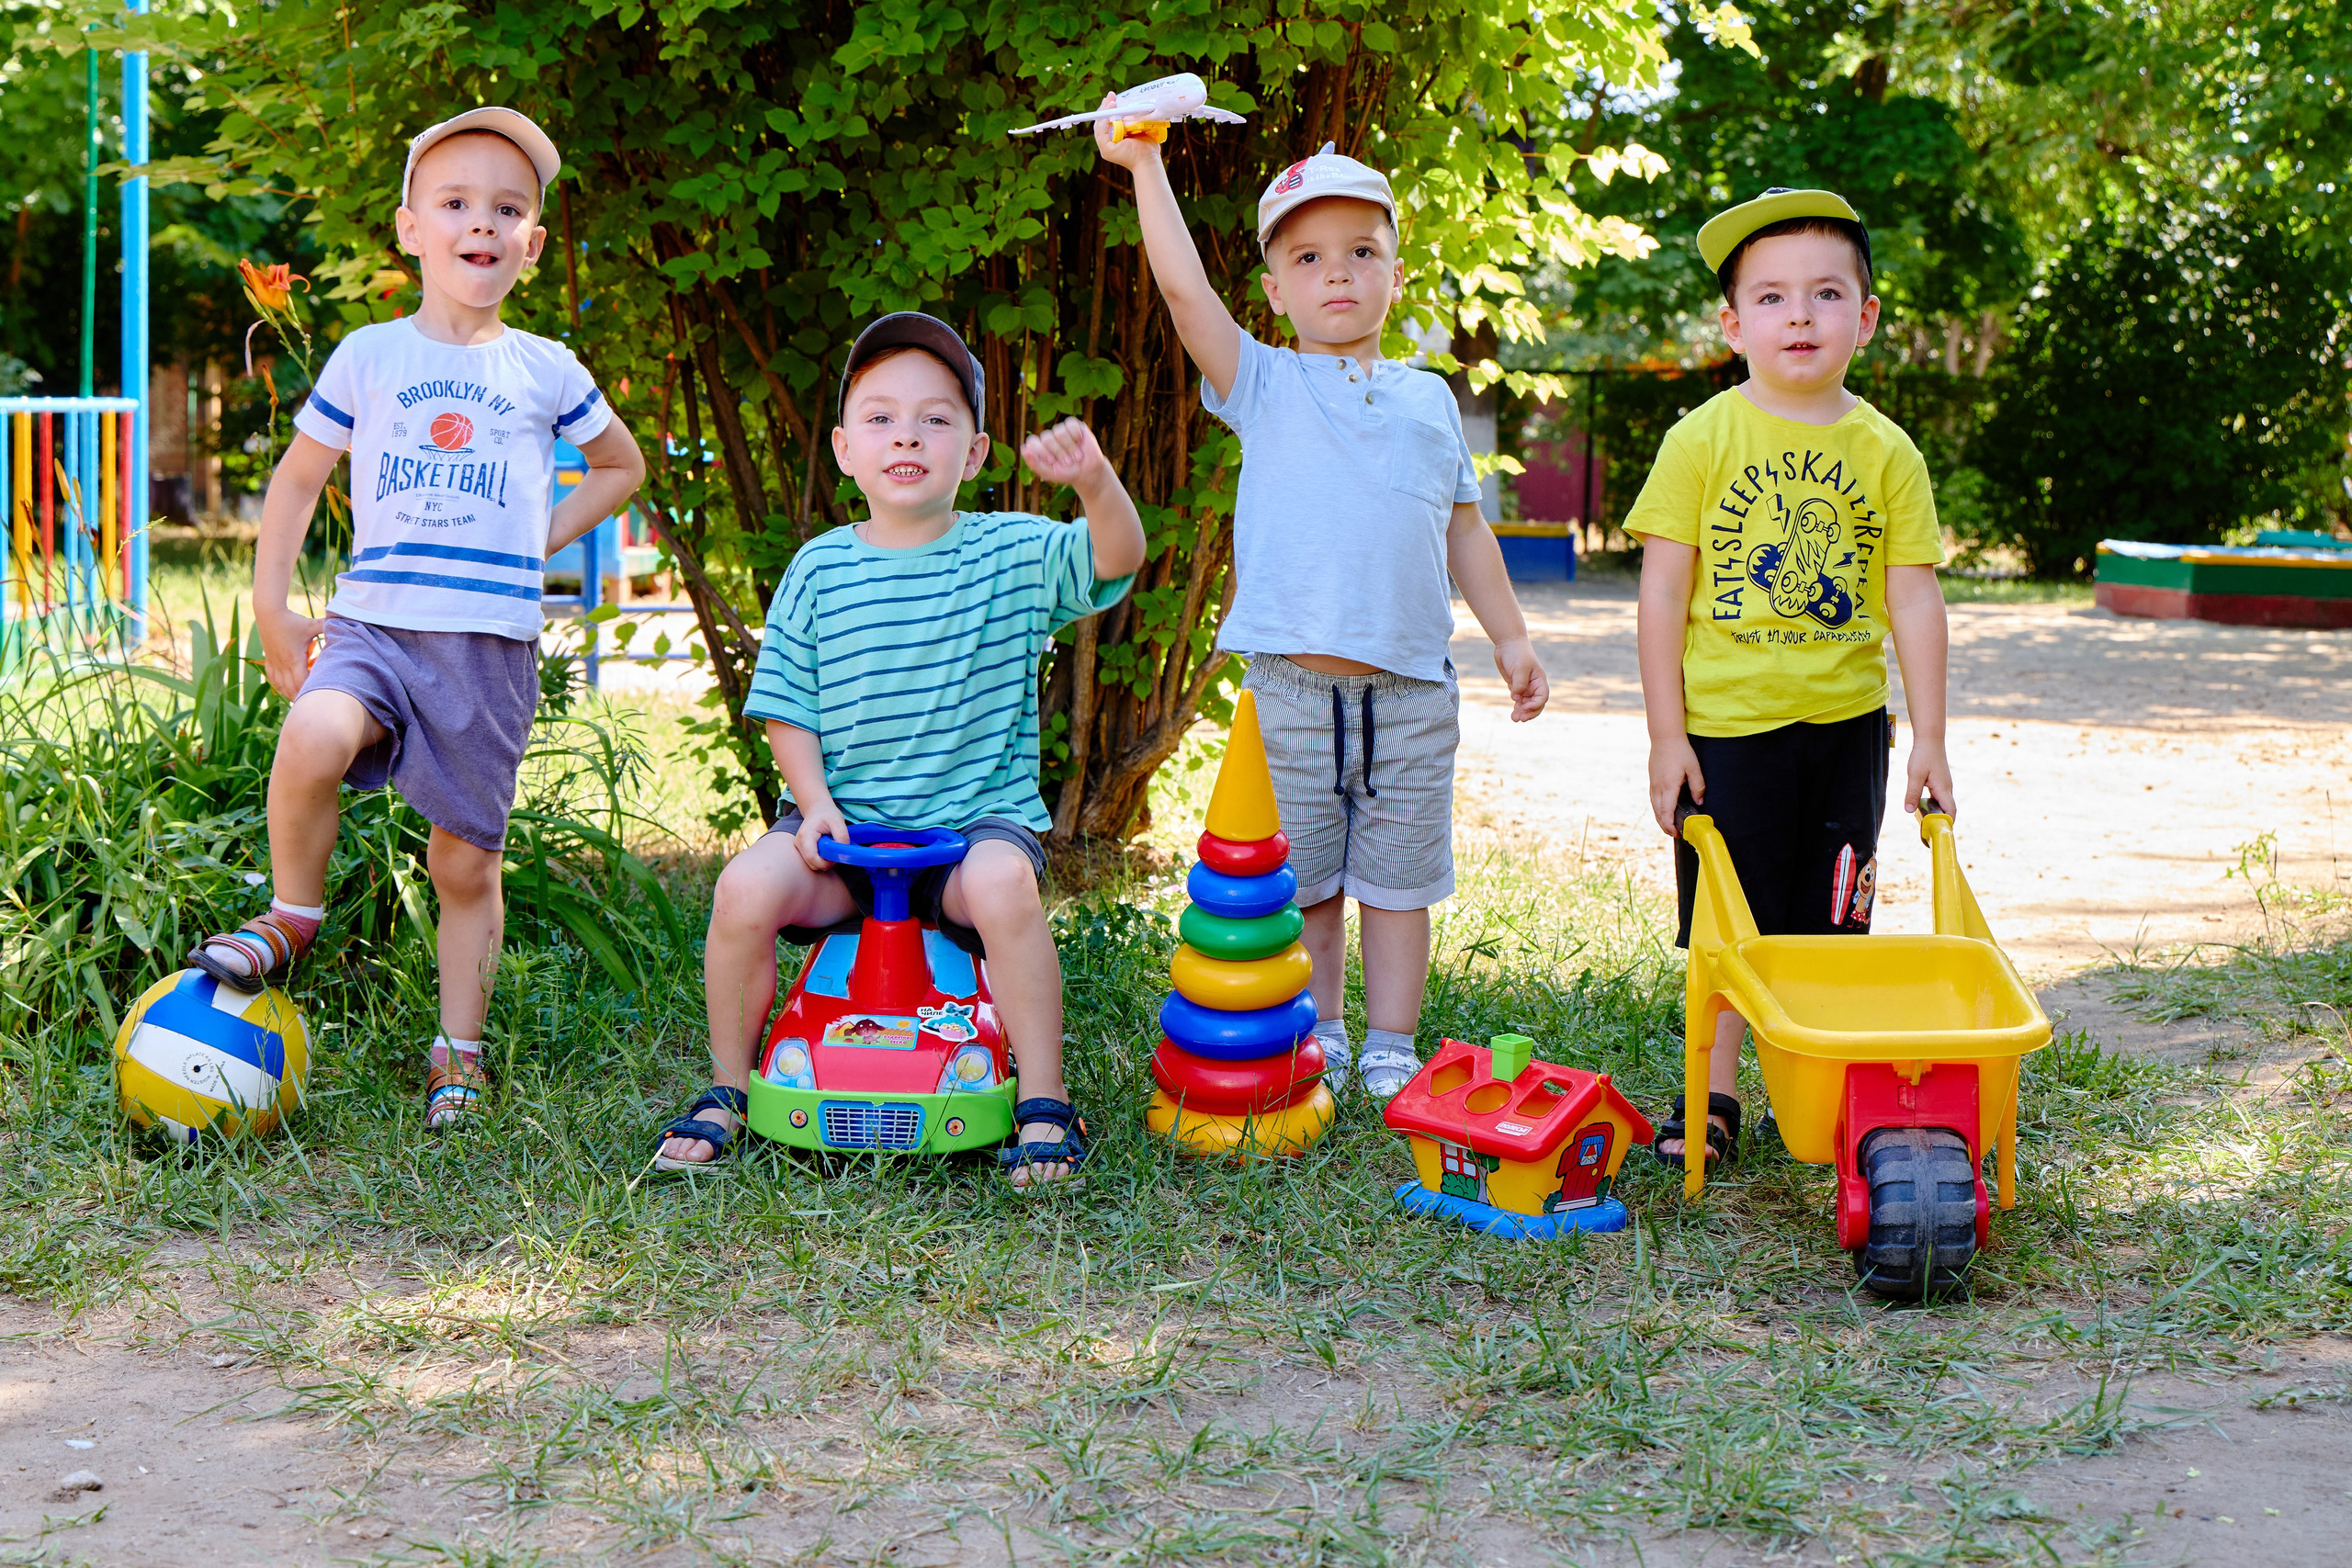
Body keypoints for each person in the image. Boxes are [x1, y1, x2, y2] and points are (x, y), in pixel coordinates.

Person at [187, 108, 645, 1131]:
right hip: (374, 629)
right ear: (409, 230)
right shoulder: (368, 356)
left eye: (506, 209)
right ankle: (293, 915)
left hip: (485, 649)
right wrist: (273, 610)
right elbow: (301, 479)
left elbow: (623, 467)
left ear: (529, 243)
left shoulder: (546, 369)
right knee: (312, 729)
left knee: (462, 863)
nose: (479, 223)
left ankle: (459, 1052)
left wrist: (539, 535)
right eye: (455, 203)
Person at [1097, 122, 1549, 1102]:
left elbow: (1464, 530)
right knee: (1304, 885)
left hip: (1412, 696)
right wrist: (1144, 165)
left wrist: (1510, 636)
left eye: (1360, 253)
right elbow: (1183, 293)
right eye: (1307, 258)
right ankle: (1326, 1028)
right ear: (1273, 290)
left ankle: (1392, 1040)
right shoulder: (1263, 382)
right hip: (1290, 697)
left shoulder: (1429, 401)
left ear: (1395, 275)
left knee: (1396, 884)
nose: (1335, 275)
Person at [654, 312, 1145, 1186]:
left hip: (971, 835)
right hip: (842, 839)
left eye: (935, 417)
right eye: (880, 418)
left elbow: (1118, 556)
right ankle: (729, 1084)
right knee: (742, 887)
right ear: (845, 449)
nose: (907, 433)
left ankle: (1043, 1100)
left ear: (977, 450)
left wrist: (1096, 481)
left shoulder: (1014, 554)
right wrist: (814, 805)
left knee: (1004, 883)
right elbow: (787, 711)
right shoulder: (816, 568)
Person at [1624, 187, 1952, 1168]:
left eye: (1824, 293)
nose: (1798, 315)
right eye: (1769, 298)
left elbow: (1915, 599)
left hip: (1848, 728)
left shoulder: (1887, 451)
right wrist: (1665, 735)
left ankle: (1829, 1089)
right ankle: (1713, 1095)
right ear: (1732, 325)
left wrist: (1928, 736)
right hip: (1726, 730)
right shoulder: (1701, 440)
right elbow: (1659, 595)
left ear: (1867, 316)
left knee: (1832, 922)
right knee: (1729, 923)